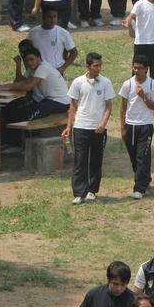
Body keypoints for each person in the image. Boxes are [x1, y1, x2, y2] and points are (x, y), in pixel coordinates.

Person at [64, 53, 115, 205]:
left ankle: (92, 190)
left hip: (98, 129)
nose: (98, 68)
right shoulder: (78, 82)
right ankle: (79, 192)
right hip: (81, 127)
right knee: (80, 160)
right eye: (95, 66)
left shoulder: (105, 82)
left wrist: (103, 123)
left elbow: (108, 107)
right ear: (87, 66)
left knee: (96, 159)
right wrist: (68, 126)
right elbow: (72, 106)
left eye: (100, 65)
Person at [119, 55, 154, 199]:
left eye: (140, 68)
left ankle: (139, 188)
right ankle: (144, 178)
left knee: (142, 156)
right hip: (130, 125)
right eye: (135, 67)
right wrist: (122, 127)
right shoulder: (128, 84)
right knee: (134, 156)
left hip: (145, 125)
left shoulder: (152, 85)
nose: (137, 70)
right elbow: (123, 106)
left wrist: (143, 96)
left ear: (146, 69)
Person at [0, 47, 71, 123]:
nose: (29, 63)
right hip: (45, 99)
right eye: (26, 61)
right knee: (10, 107)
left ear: (39, 58)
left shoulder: (43, 67)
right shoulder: (32, 68)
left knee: (28, 116)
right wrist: (18, 64)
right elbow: (19, 81)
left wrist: (8, 87)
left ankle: (28, 133)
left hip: (60, 101)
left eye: (31, 59)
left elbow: (28, 86)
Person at [28, 7, 78, 74]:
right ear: (43, 17)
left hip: (56, 71)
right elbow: (27, 52)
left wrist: (62, 69)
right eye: (49, 17)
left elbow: (74, 52)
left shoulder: (63, 33)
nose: (52, 19)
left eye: (55, 16)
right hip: (38, 71)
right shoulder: (33, 33)